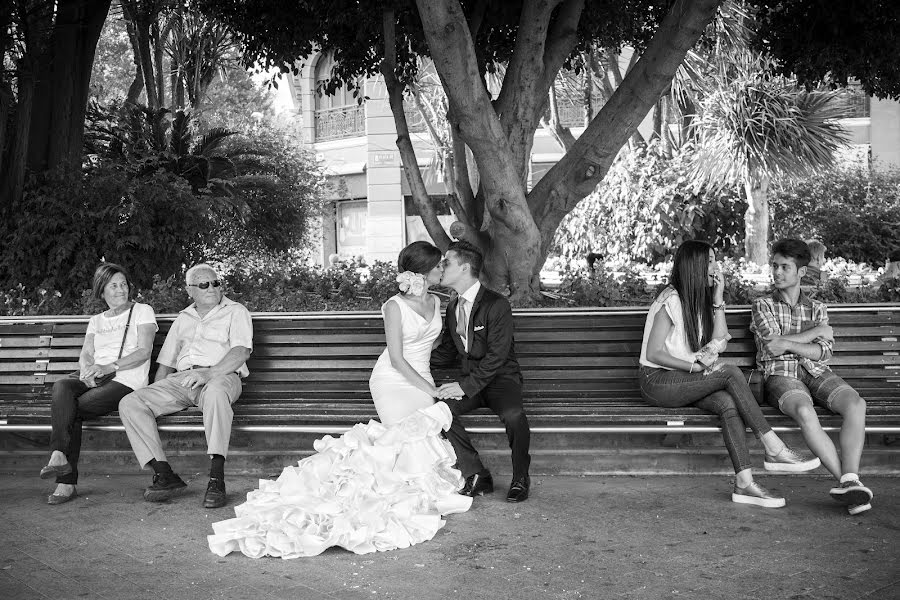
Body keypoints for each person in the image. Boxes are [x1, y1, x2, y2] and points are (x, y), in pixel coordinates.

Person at [207, 241, 471, 558]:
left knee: (423, 437)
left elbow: (437, 343)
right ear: (424, 271)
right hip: (392, 381)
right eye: (439, 265)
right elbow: (399, 360)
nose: (443, 268)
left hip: (423, 378)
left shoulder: (438, 300)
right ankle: (352, 500)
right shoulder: (394, 306)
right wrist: (432, 391)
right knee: (400, 440)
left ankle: (410, 493)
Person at [639, 240, 820, 508]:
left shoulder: (698, 299)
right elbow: (654, 354)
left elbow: (719, 340)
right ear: (694, 265)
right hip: (657, 380)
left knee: (727, 403)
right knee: (729, 372)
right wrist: (694, 367)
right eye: (710, 261)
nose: (716, 266)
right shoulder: (672, 298)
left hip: (684, 381)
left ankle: (745, 483)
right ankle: (773, 447)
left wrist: (718, 299)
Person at [751, 239, 873, 515]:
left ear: (801, 272)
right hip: (780, 375)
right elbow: (773, 346)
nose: (777, 272)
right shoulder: (762, 305)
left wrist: (791, 342)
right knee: (805, 410)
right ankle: (849, 487)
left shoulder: (817, 308)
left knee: (856, 404)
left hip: (816, 372)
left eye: (784, 267)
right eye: (774, 266)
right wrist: (815, 333)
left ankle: (850, 480)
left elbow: (823, 354)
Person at [118, 264, 253, 509]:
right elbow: (167, 362)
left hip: (221, 375)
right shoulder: (184, 318)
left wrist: (208, 373)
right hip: (183, 381)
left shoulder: (236, 311)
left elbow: (241, 351)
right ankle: (164, 473)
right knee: (131, 402)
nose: (212, 288)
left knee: (214, 394)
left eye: (215, 283)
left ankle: (216, 478)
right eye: (204, 284)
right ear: (190, 290)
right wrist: (156, 395)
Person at [41, 263, 157, 505]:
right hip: (95, 375)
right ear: (101, 290)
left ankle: (65, 480)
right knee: (62, 386)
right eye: (113, 285)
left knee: (71, 411)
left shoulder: (142, 311)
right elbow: (86, 353)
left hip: (125, 379)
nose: (120, 290)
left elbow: (144, 351)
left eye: (123, 284)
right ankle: (59, 454)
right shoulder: (96, 320)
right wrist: (87, 371)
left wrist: (109, 367)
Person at [432, 240, 532, 503]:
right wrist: (413, 362)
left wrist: (464, 387)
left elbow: (497, 357)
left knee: (514, 415)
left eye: (447, 262)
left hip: (501, 381)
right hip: (471, 382)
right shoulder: (453, 307)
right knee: (443, 409)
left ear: (465, 268)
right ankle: (477, 474)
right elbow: (449, 352)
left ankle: (521, 476)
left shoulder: (496, 304)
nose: (441, 267)